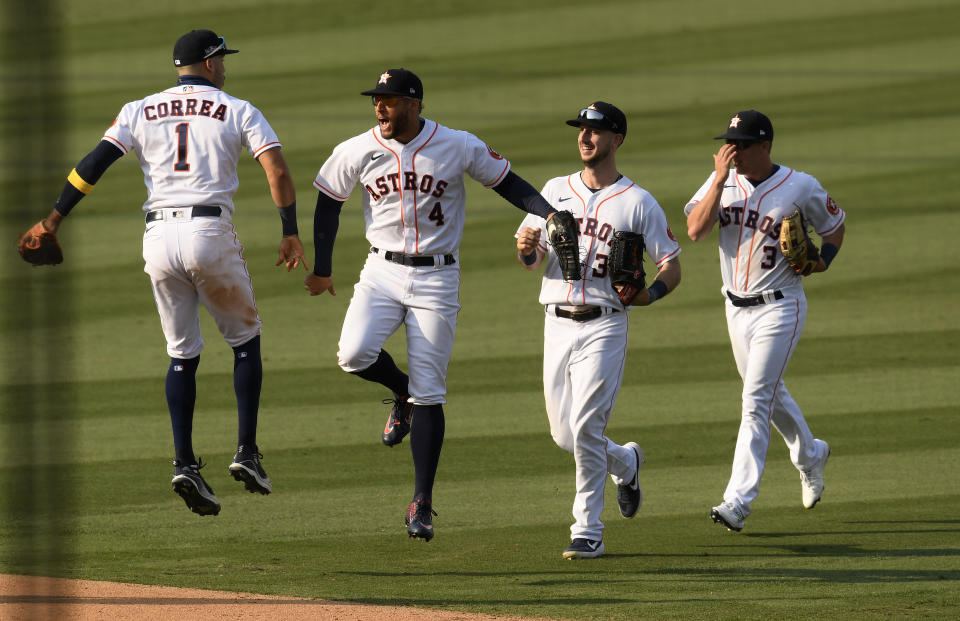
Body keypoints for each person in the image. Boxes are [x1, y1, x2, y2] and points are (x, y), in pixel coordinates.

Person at [21, 29, 308, 516]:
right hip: (209, 233)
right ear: (211, 62)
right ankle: (247, 453)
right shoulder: (239, 109)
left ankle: (183, 462)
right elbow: (276, 170)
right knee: (245, 340)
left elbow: (93, 164)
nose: (225, 66)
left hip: (157, 239)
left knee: (181, 354)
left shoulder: (139, 108)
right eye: (223, 59)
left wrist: (52, 219)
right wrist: (290, 231)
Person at [304, 68, 563, 541]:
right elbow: (327, 201)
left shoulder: (457, 144)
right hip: (380, 271)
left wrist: (548, 213)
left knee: (432, 392)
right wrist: (323, 267)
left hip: (438, 278)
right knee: (352, 353)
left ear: (414, 103)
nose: (380, 106)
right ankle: (399, 391)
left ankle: (421, 502)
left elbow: (507, 182)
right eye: (376, 99)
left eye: (390, 99)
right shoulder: (357, 149)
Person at [515, 102, 682, 559]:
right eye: (582, 130)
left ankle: (587, 530)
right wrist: (529, 248)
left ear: (617, 139)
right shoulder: (553, 190)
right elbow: (532, 261)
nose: (585, 137)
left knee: (587, 426)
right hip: (556, 321)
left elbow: (671, 264)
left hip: (605, 326)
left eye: (596, 130)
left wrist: (649, 297)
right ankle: (626, 462)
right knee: (565, 436)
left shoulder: (637, 201)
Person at [684, 110, 845, 532]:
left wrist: (822, 263)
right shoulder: (721, 180)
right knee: (770, 394)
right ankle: (810, 454)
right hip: (734, 309)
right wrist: (718, 181)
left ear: (765, 146)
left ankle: (737, 501)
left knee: (755, 399)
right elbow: (696, 231)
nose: (732, 152)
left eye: (742, 145)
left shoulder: (800, 185)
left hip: (781, 305)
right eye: (729, 143)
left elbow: (835, 226)